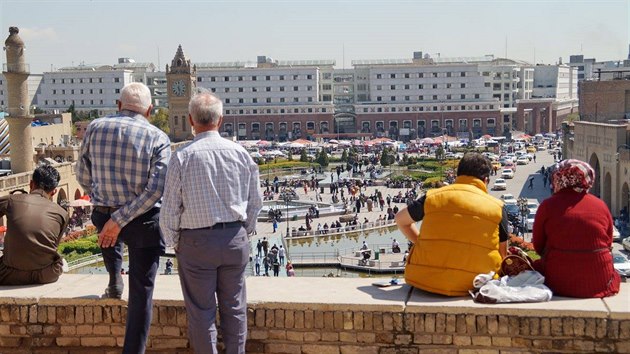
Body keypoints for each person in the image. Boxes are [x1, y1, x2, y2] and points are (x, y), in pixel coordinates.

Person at [160, 90, 262, 354]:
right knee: (235, 309)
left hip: (196, 243)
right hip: (233, 239)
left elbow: (169, 210)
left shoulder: (182, 156)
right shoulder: (241, 154)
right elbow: (255, 202)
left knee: (201, 314)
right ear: (221, 120)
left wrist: (177, 244)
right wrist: (243, 231)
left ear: (192, 121)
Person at [76, 82, 171, 354]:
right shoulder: (158, 137)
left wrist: (105, 203)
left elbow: (82, 174)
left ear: (118, 105)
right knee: (141, 293)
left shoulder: (95, 127)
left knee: (108, 235)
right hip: (143, 222)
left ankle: (114, 278)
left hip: (104, 214)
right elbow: (155, 190)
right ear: (150, 110)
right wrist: (122, 217)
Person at [395, 152, 508, 296]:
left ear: (457, 175)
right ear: (485, 180)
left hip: (424, 281)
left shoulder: (433, 197)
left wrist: (421, 243)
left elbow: (400, 220)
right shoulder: (497, 208)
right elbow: (502, 255)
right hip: (474, 284)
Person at [532, 159, 620, 298]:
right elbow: (608, 243)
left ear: (557, 178)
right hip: (601, 281)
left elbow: (538, 246)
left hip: (559, 281)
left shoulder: (547, 206)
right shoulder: (600, 205)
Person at [0, 166, 68, 285]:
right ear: (54, 191)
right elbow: (53, 245)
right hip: (47, 274)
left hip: (8, 275)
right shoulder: (62, 213)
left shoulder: (12, 200)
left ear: (31, 184)